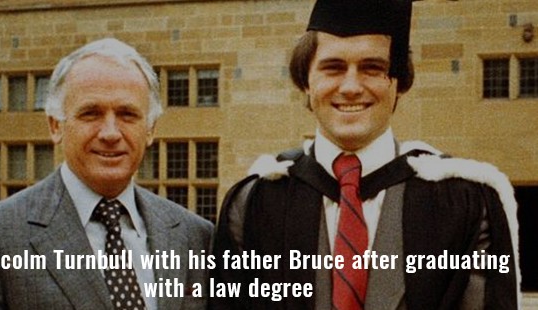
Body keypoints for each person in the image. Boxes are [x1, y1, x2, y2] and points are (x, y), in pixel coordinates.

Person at [210, 0, 520, 309]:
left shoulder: (464, 202)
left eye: (372, 68)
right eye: (333, 68)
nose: (351, 87)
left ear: (399, 84)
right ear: (306, 81)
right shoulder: (255, 203)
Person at [0, 38, 213, 310]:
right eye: (90, 114)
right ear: (55, 126)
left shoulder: (195, 236)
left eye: (128, 114)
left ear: (150, 128)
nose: (110, 133)